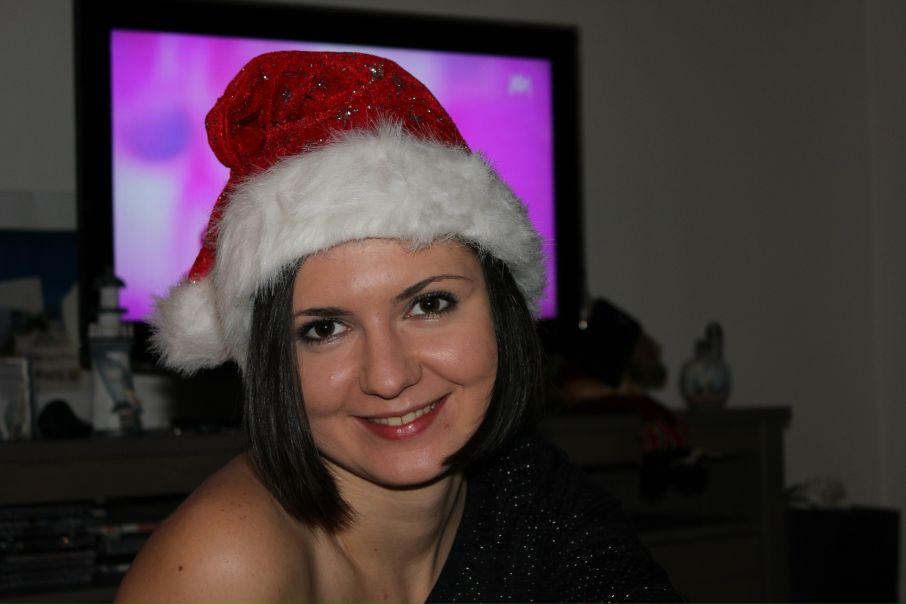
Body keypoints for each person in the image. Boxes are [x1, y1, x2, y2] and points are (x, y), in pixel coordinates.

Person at [114, 51, 684, 603]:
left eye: (430, 305)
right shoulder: (223, 566)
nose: (388, 378)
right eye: (324, 329)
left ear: (502, 310)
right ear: (267, 359)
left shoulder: (536, 496)